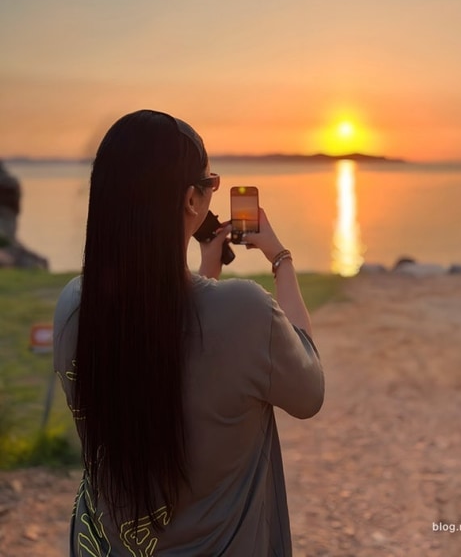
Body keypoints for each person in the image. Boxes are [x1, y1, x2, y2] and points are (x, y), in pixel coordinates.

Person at [53, 109, 324, 556]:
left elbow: (159, 356)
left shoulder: (74, 309)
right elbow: (309, 386)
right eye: (210, 182)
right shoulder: (244, 313)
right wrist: (280, 258)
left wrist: (205, 276)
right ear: (192, 201)